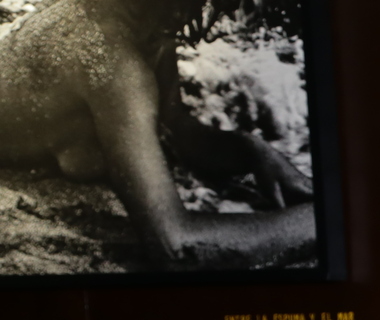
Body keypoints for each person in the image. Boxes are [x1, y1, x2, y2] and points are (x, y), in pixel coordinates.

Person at [0, 0, 315, 268]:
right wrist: (317, 221)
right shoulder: (115, 64)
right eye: (221, 2)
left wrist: (252, 152)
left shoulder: (142, 26)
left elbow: (175, 128)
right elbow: (176, 248)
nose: (229, 13)